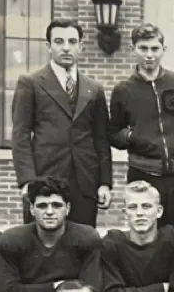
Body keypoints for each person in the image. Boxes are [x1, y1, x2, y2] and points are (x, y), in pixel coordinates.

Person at [10, 18, 112, 226]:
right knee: (40, 244)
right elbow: (20, 135)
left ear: (81, 46)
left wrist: (104, 182)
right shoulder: (31, 83)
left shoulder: (94, 88)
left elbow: (101, 139)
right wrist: (28, 180)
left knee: (82, 241)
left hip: (84, 181)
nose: (66, 48)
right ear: (48, 46)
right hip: (44, 177)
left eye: (72, 42)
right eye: (59, 41)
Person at [109, 23, 174, 229]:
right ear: (133, 49)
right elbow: (113, 134)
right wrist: (133, 136)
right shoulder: (123, 90)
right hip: (144, 172)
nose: (149, 55)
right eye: (143, 49)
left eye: (155, 49)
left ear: (163, 50)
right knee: (150, 232)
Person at [99, 180, 174, 292]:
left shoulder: (172, 240)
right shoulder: (112, 243)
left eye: (146, 206)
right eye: (133, 207)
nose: (139, 213)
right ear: (125, 213)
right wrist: (161, 288)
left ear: (158, 211)